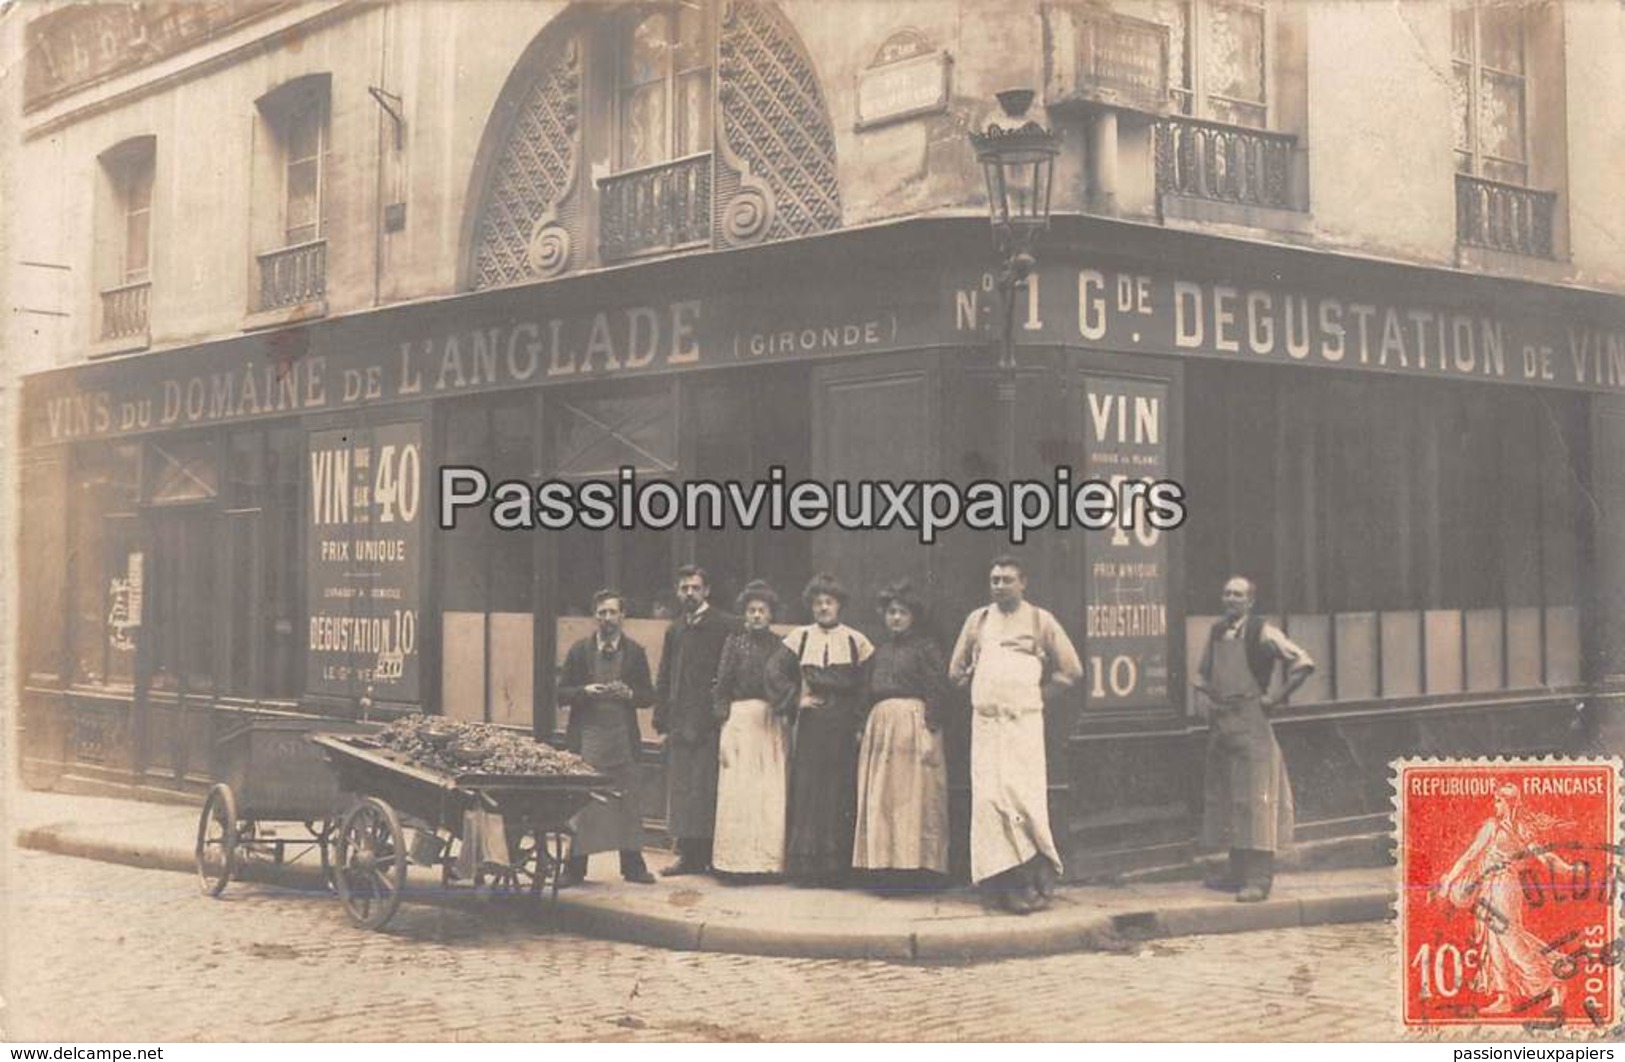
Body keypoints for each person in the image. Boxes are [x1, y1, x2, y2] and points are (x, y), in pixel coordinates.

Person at [948, 555, 1082, 914]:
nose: (1000, 586)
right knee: (990, 801)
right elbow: (955, 672)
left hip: (1023, 724)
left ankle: (1031, 881)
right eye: (994, 580)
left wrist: (1033, 695)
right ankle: (1001, 884)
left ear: (1023, 583)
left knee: (1023, 800)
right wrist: (981, 683)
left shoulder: (1041, 621)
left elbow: (1071, 670)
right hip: (988, 725)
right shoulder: (978, 621)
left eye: (1007, 579)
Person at [1192, 575, 1314, 903]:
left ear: (1250, 601)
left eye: (1237, 594)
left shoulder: (1264, 632)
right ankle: (1237, 873)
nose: (1230, 599)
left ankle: (1259, 879)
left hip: (1253, 723)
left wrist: (1274, 698)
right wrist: (1205, 701)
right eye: (1226, 593)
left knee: (1258, 800)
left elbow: (1303, 663)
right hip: (1223, 723)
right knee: (1232, 797)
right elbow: (1202, 676)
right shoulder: (1217, 632)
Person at [1435, 783, 1578, 1014]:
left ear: (1509, 802)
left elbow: (1471, 856)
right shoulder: (1509, 827)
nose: (1496, 805)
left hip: (1504, 887)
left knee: (1510, 940)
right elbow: (1471, 855)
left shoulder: (1504, 828)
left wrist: (1569, 869)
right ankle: (1505, 997)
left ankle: (1554, 984)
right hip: (1490, 887)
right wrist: (1568, 868)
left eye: (1499, 801)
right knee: (1495, 942)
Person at [852, 579, 952, 884]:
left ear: (913, 616)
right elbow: (865, 691)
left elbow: (937, 688)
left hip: (913, 724)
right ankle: (884, 866)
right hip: (881, 728)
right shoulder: (879, 652)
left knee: (913, 796)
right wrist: (860, 726)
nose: (895, 618)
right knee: (883, 797)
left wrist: (930, 727)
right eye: (891, 612)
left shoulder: (925, 648)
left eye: (902, 613)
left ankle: (915, 868)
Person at [555, 589, 656, 885]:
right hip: (589, 738)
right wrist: (583, 692)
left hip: (622, 739)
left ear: (623, 616)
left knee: (626, 802)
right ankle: (574, 868)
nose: (607, 618)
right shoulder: (579, 651)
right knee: (584, 803)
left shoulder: (635, 652)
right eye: (602, 612)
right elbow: (561, 693)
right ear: (594, 616)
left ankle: (633, 867)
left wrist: (631, 694)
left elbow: (648, 696)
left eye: (612, 612)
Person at [779, 572, 873, 885]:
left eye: (828, 602)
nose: (823, 608)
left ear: (839, 606)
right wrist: (797, 701)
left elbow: (866, 687)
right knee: (808, 792)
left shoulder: (855, 640)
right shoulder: (800, 637)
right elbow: (774, 673)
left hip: (843, 730)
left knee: (839, 793)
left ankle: (836, 870)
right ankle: (807, 870)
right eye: (817, 603)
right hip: (811, 729)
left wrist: (859, 722)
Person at [653, 565, 736, 876]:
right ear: (678, 592)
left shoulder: (725, 624)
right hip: (680, 722)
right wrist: (661, 722)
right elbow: (664, 676)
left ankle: (713, 857)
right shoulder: (675, 629)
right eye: (684, 588)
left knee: (708, 790)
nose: (690, 593)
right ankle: (688, 856)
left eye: (695, 588)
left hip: (712, 722)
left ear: (707, 591)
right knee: (684, 791)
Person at [710, 580, 797, 877]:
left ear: (771, 614)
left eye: (762, 610)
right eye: (751, 610)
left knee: (768, 792)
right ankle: (735, 863)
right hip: (741, 720)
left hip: (770, 721)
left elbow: (791, 684)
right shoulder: (734, 644)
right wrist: (724, 723)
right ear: (744, 614)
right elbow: (721, 687)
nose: (757, 615)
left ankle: (767, 864)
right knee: (740, 792)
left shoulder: (781, 647)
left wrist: (784, 709)